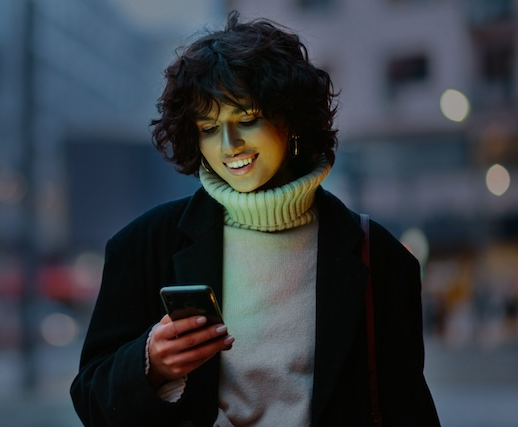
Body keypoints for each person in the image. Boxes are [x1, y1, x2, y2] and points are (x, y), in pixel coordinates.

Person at [70, 11, 441, 427]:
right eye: (210, 128)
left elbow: (407, 408)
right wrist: (151, 365)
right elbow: (90, 400)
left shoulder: (381, 258)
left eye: (247, 120)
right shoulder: (144, 244)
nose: (229, 145)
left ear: (293, 121)